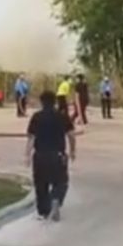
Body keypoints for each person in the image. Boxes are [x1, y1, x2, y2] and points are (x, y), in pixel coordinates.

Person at [25, 91, 76, 222]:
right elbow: (71, 135)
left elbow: (31, 138)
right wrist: (72, 151)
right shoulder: (62, 116)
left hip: (40, 156)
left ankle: (43, 212)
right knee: (61, 182)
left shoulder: (36, 117)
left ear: (41, 102)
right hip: (58, 155)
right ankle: (55, 198)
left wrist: (27, 155)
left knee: (40, 184)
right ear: (55, 102)